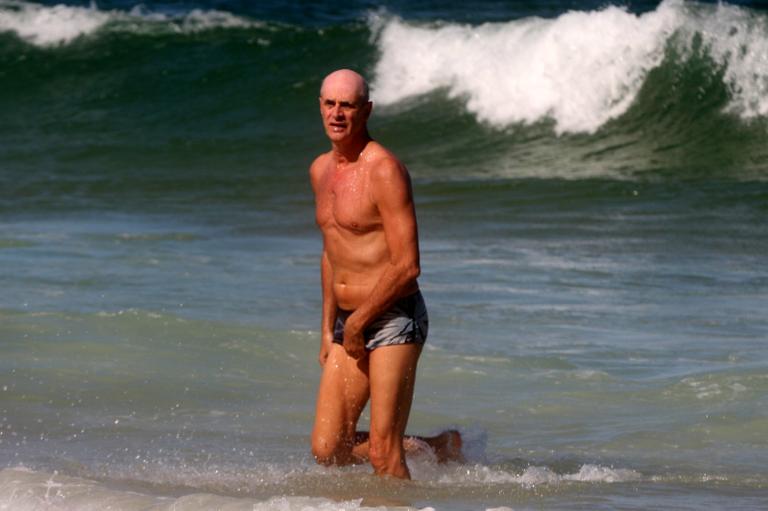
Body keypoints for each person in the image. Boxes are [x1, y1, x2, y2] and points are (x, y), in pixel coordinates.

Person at [309, 69, 462, 479]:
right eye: (330, 103)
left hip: (395, 317)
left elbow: (408, 267)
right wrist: (329, 329)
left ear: (367, 110)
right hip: (348, 322)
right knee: (328, 449)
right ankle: (435, 447)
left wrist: (359, 321)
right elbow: (332, 253)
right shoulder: (320, 170)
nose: (337, 113)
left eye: (348, 105)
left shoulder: (384, 170)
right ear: (320, 107)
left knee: (382, 453)